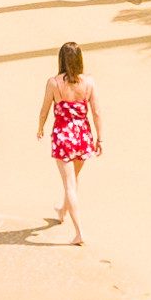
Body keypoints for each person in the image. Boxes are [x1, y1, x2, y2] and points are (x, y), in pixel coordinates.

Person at [37, 38, 100, 237]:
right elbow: (97, 113)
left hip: (63, 137)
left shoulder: (54, 83)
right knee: (73, 179)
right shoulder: (89, 82)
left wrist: (40, 127)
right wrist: (100, 138)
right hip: (82, 136)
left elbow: (44, 110)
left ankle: (79, 233)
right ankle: (62, 210)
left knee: (70, 184)